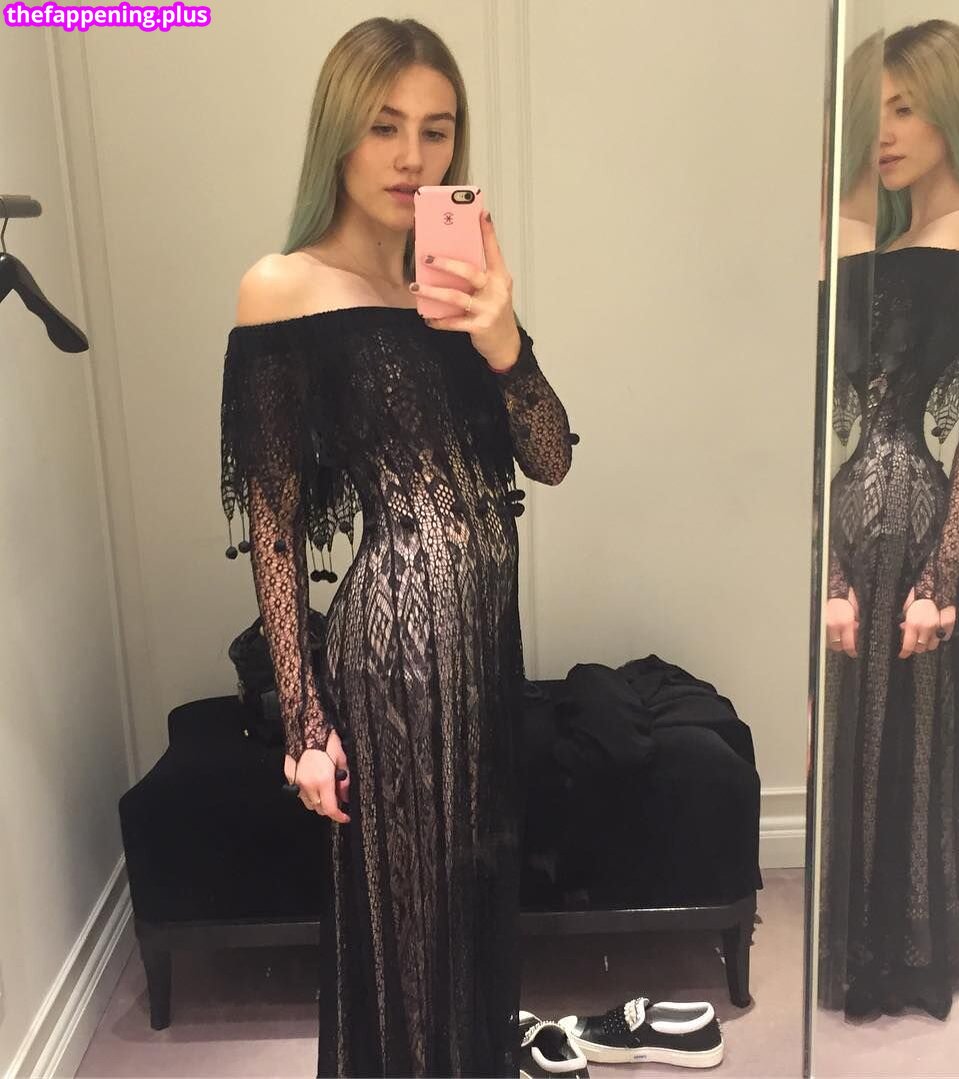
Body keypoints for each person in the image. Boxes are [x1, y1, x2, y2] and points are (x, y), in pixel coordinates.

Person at [218, 17, 575, 1076]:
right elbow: (275, 521)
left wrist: (503, 337)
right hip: (393, 655)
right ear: (339, 132)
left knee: (473, 904)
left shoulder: (458, 286)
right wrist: (303, 721)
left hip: (484, 647)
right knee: (410, 923)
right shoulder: (283, 287)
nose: (412, 155)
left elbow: (550, 457)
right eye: (383, 126)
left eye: (436, 128)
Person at [819, 19, 959, 1020]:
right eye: (872, 114)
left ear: (954, 109)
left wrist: (941, 580)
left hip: (913, 516)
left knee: (907, 735)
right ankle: (856, 935)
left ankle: (907, 944)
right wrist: (827, 570)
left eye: (906, 109)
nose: (885, 132)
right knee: (851, 734)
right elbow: (822, 393)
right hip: (847, 517)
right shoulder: (875, 233)